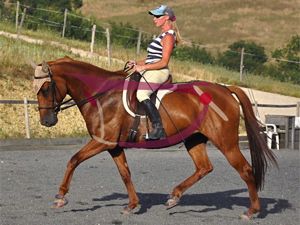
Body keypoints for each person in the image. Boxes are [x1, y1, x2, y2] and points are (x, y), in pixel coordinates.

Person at [129, 5, 180, 140]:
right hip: (152, 68)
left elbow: (163, 62)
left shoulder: (169, 36)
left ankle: (158, 128)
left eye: (157, 16)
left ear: (166, 18)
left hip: (159, 71)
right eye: (154, 16)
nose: (154, 19)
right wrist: (137, 63)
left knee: (141, 94)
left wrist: (143, 68)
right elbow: (151, 58)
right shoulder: (162, 35)